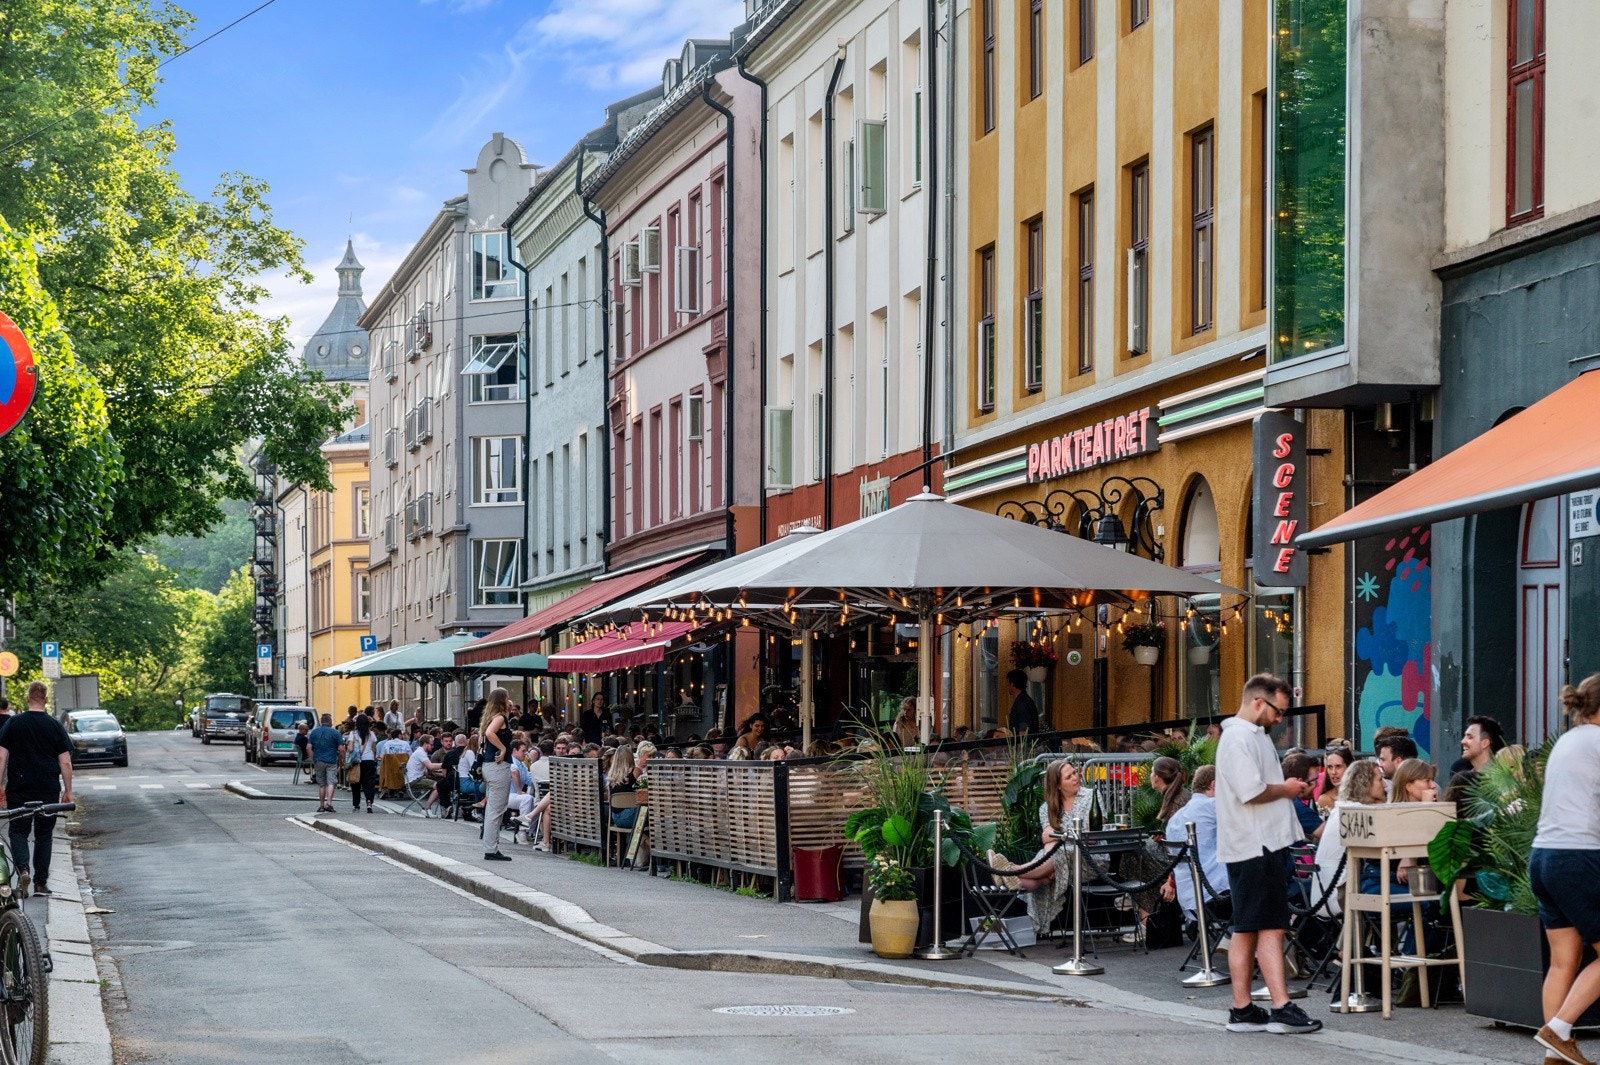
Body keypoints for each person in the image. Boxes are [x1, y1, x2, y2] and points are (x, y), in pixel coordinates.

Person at [1214, 672, 1321, 1035]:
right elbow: (1252, 791)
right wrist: (1289, 789)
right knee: (1270, 928)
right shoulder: (1239, 738)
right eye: (1278, 711)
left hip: (1255, 843)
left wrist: (1286, 790)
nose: (1280, 719)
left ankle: (1243, 1009)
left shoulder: (1245, 736)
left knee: (1246, 928)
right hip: (1256, 843)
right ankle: (1280, 1006)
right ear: (1259, 701)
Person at [1530, 675, 1600, 1065]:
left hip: (1544, 856)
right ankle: (1558, 1030)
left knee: (1563, 960)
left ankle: (1556, 1053)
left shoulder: (1569, 741)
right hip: (1579, 856)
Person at [0, 682, 72, 897]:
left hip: (19, 788)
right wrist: (67, 790)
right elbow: (65, 762)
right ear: (46, 699)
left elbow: (2, 757)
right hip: (47, 788)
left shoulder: (13, 724)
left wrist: (0, 786)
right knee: (43, 835)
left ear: (27, 698)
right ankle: (40, 884)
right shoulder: (55, 725)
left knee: (18, 831)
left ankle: (23, 870)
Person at [1313, 757, 1386, 916]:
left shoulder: (1343, 808)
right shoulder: (1358, 812)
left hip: (1323, 894)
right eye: (1380, 780)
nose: (1385, 785)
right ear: (1365, 783)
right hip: (1339, 895)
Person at [1166, 765, 1228, 921]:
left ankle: (1231, 938)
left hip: (1189, 902)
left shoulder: (1174, 820)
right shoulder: (1212, 806)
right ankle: (1233, 939)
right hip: (1217, 895)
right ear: (1214, 784)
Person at [478, 688, 516, 862]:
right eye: (507, 697)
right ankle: (491, 849)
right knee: (496, 809)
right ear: (503, 700)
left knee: (493, 808)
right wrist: (503, 748)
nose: (510, 700)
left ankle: (491, 846)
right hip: (498, 767)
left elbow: (484, 737)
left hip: (489, 766)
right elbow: (489, 734)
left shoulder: (490, 718)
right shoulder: (500, 718)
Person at [1281, 751, 1325, 843]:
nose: (1317, 785)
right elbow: (1325, 833)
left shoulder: (1282, 800)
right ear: (1301, 782)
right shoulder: (1295, 805)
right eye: (1314, 780)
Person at [341, 713, 379, 813]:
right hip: (369, 760)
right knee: (369, 783)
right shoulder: (372, 734)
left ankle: (356, 805)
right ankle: (369, 802)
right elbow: (374, 749)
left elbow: (350, 748)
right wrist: (374, 758)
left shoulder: (353, 734)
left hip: (357, 761)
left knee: (356, 782)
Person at [306, 713, 344, 813]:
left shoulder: (314, 732)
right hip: (331, 761)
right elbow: (341, 749)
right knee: (331, 782)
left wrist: (313, 758)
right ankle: (329, 803)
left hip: (319, 760)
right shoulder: (335, 732)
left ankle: (322, 805)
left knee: (322, 784)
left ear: (321, 721)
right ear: (330, 721)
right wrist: (342, 760)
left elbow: (308, 747)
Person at [1317, 745, 1352, 814]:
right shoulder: (1324, 799)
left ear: (1349, 767)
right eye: (1330, 767)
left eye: (1338, 766)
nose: (1333, 772)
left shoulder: (1362, 795)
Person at [1005, 669, 1040, 737]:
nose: (1007, 686)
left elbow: (1023, 729)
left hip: (1025, 744)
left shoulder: (1022, 703)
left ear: (1012, 684)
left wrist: (1020, 746)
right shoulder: (1024, 700)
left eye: (1008, 683)